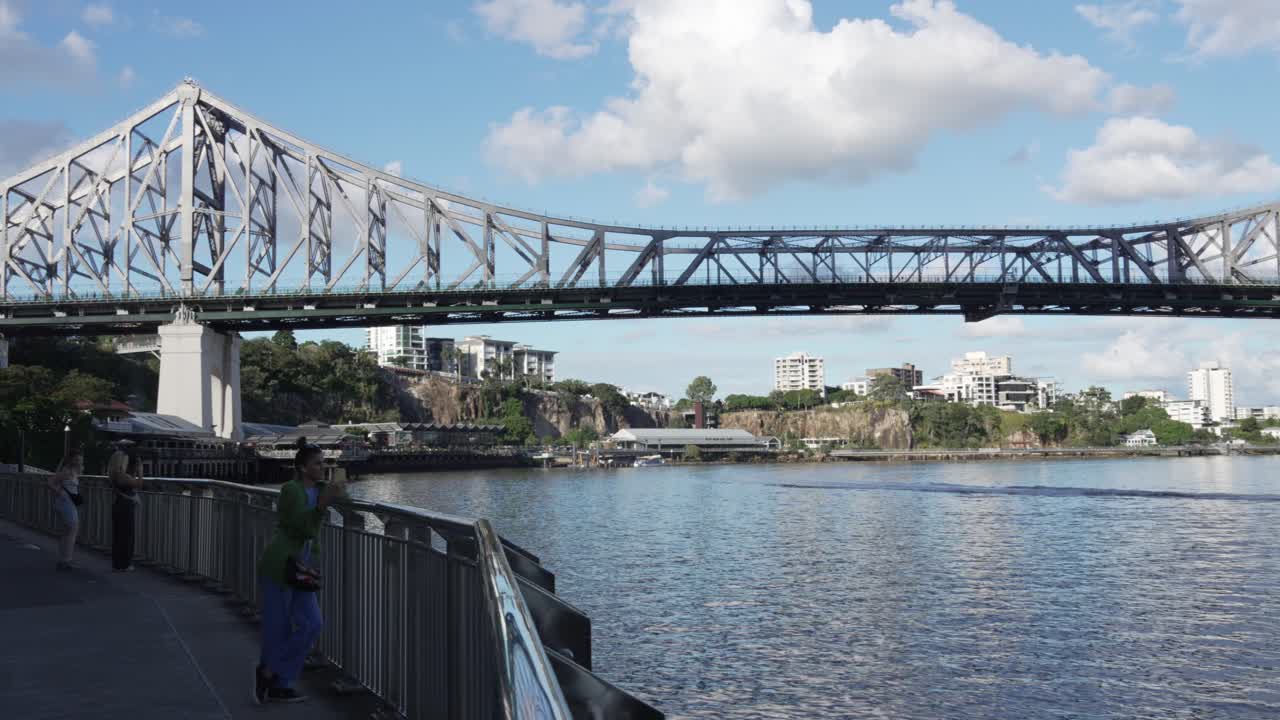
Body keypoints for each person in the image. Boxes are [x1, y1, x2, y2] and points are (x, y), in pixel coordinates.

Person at [254, 437, 343, 704]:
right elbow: (300, 527)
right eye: (317, 464)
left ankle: (271, 671)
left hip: (302, 570)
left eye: (323, 462)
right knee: (277, 629)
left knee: (312, 624)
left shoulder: (321, 488)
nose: (322, 467)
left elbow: (341, 498)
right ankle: (279, 685)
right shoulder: (291, 491)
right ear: (303, 468)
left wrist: (337, 490)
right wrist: (320, 506)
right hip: (281, 566)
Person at [47, 449, 84, 570]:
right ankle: (66, 560)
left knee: (67, 531)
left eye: (80, 459)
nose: (80, 461)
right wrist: (60, 492)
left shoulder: (74, 470)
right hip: (66, 503)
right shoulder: (66, 471)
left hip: (66, 503)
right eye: (77, 459)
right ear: (72, 459)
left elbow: (80, 471)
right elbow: (50, 482)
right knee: (72, 529)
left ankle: (64, 559)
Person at [107, 448, 143, 572]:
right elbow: (139, 484)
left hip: (117, 503)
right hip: (126, 505)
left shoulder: (113, 474)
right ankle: (125, 564)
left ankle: (117, 564)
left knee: (118, 535)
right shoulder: (123, 476)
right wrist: (140, 471)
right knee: (127, 535)